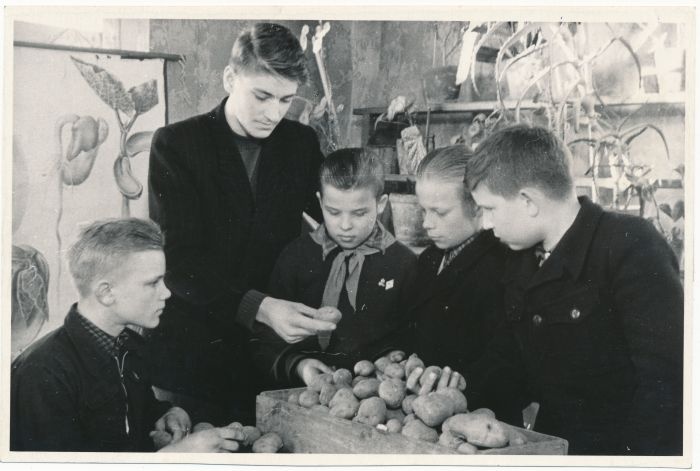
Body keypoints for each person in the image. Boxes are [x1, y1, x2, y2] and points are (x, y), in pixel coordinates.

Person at [148, 23, 339, 423]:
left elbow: (333, 218)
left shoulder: (300, 144)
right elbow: (178, 263)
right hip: (193, 354)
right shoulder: (176, 144)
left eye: (286, 100)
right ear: (230, 78)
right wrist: (262, 307)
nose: (273, 113)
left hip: (269, 355)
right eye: (262, 95)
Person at [464, 124, 683, 455]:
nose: (485, 223)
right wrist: (460, 391)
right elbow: (510, 360)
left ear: (528, 201)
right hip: (556, 448)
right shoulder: (522, 257)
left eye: (489, 209)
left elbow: (666, 384)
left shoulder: (630, 246)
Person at [11, 218, 244, 452]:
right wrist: (174, 457)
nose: (166, 293)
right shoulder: (42, 373)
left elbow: (137, 415)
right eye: (153, 283)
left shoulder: (129, 345)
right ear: (106, 293)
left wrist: (167, 413)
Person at [251, 148, 417, 386]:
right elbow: (264, 337)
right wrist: (298, 365)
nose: (345, 226)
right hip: (299, 394)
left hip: (373, 398)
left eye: (359, 213)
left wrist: (394, 358)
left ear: (381, 204)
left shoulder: (405, 264)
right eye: (333, 212)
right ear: (320, 201)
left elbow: (412, 338)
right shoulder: (295, 256)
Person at [409, 145, 525, 425]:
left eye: (440, 212)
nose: (427, 223)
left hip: (483, 416)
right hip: (425, 409)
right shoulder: (428, 259)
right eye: (423, 210)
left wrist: (463, 385)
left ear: (476, 206)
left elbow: (509, 357)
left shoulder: (506, 264)